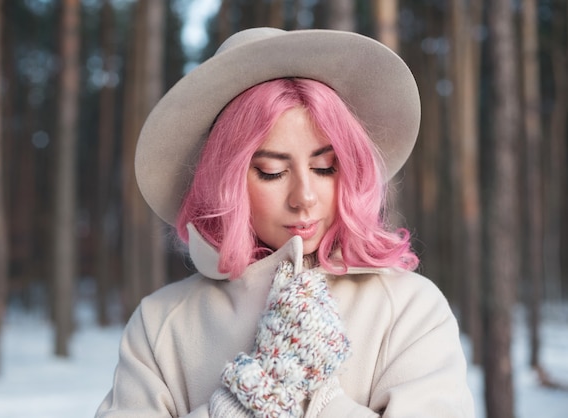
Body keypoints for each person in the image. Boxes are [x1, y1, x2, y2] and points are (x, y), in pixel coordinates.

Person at [96, 27, 475, 418]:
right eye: (272, 172)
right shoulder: (161, 324)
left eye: (325, 167)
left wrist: (319, 402)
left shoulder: (410, 309)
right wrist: (232, 408)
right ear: (225, 182)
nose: (305, 197)